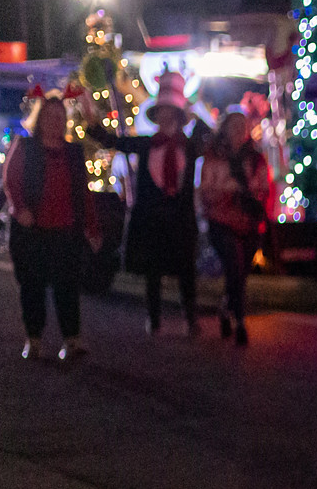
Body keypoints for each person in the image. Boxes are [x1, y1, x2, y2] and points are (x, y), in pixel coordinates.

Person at [96, 70, 205, 336]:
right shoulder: (146, 144)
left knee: (186, 270)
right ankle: (153, 318)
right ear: (156, 115)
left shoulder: (190, 146)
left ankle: (190, 318)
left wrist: (190, 105)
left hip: (180, 217)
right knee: (153, 270)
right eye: (163, 110)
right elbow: (113, 141)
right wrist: (90, 117)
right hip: (152, 217)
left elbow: (212, 134)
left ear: (179, 116)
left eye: (172, 111)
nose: (166, 116)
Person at [4, 89, 101, 362]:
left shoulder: (73, 152)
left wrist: (91, 227)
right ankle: (33, 340)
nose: (55, 122)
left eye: (60, 117)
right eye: (50, 116)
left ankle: (71, 340)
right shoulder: (25, 147)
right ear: (40, 118)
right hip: (33, 230)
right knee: (32, 286)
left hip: (65, 231)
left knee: (67, 287)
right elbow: (10, 179)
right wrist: (19, 208)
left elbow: (83, 192)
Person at [198, 110, 275, 345]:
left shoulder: (255, 158)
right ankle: (240, 322)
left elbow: (264, 188)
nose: (238, 131)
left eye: (242, 126)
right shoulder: (214, 157)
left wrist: (254, 199)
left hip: (248, 222)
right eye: (234, 126)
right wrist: (228, 193)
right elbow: (206, 190)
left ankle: (225, 307)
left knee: (240, 273)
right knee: (234, 262)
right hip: (222, 221)